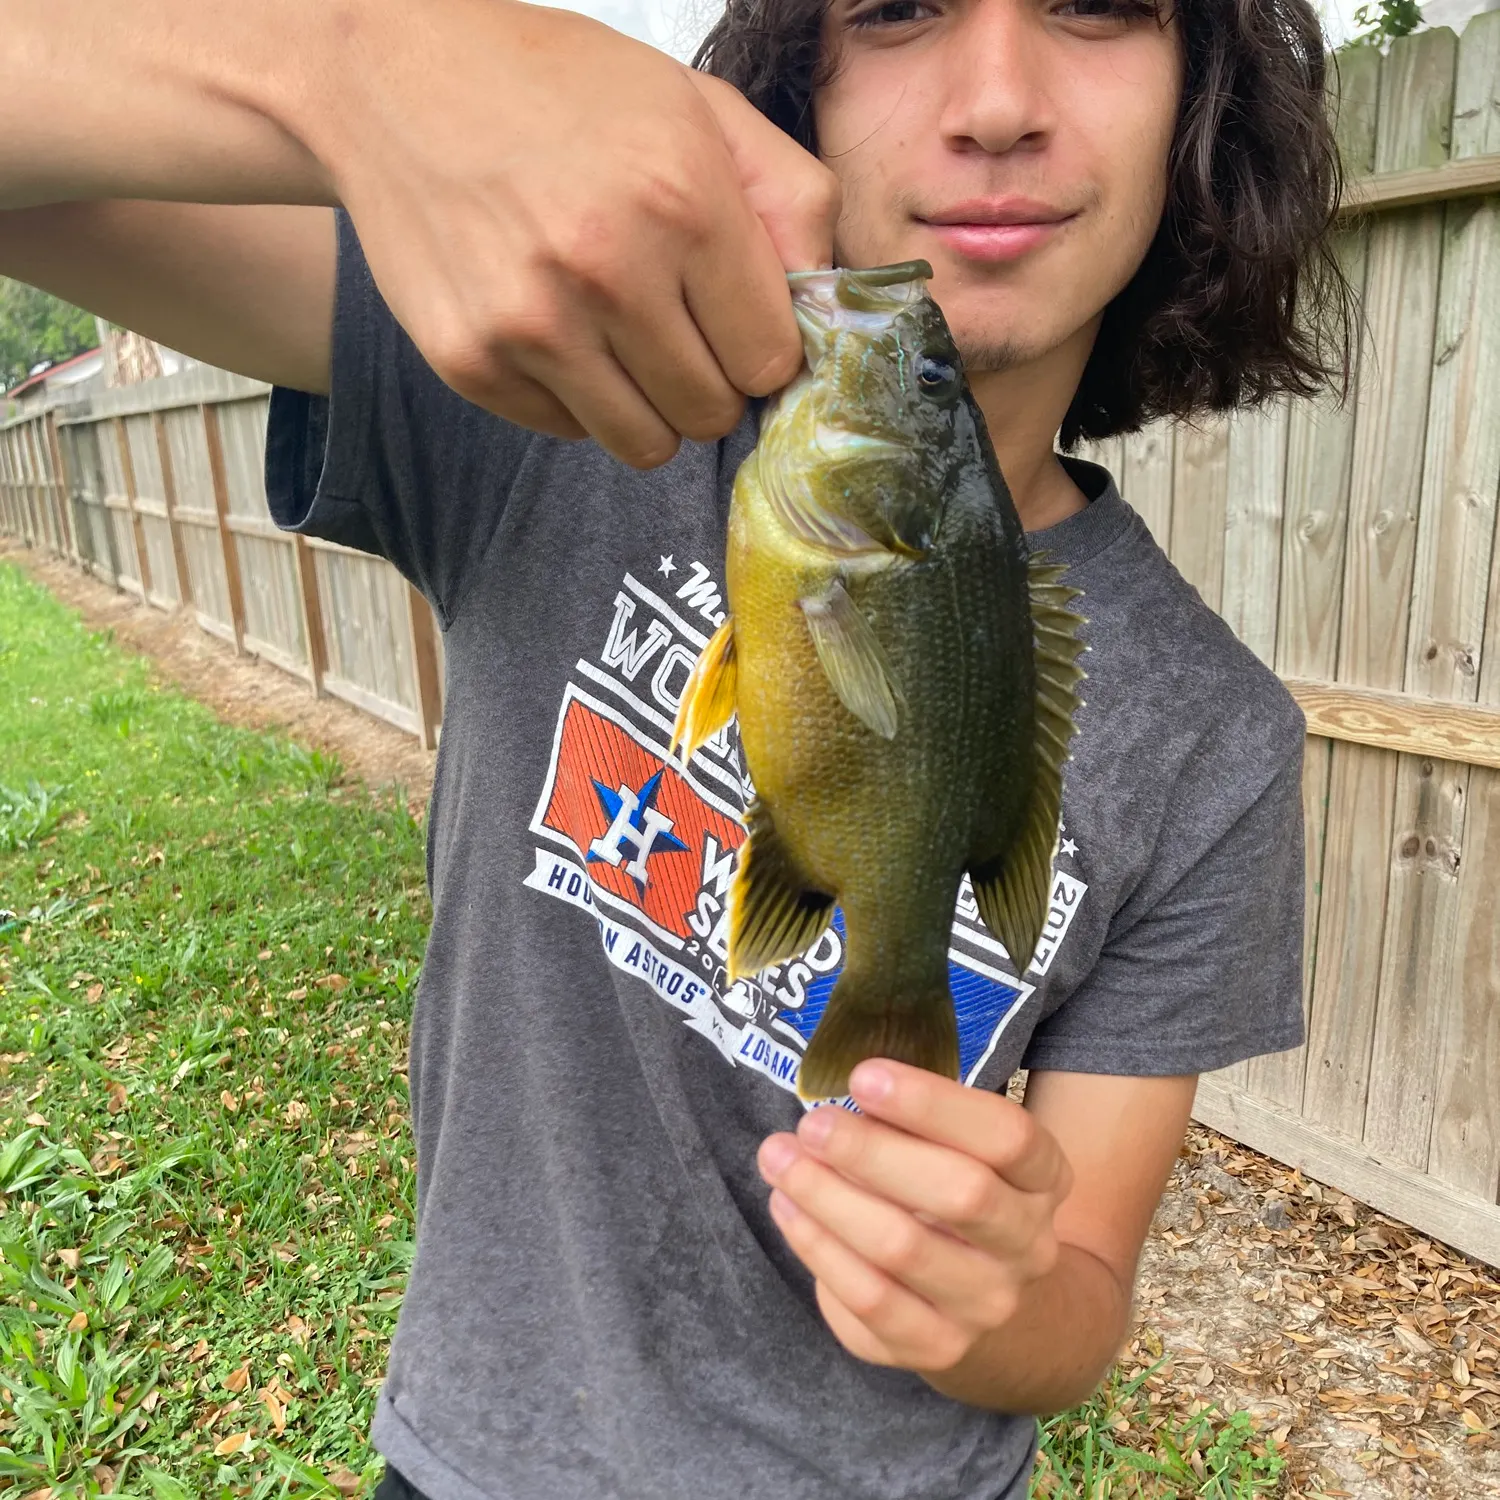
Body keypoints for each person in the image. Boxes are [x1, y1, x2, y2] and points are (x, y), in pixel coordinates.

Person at [0, 0, 1347, 1493]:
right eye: (899, 8)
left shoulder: (1216, 742)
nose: (996, 100)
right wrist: (352, 61)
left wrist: (998, 1305)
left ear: (1199, 103)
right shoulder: (551, 399)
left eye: (1098, 6)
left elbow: (1082, 1302)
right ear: (793, 89)